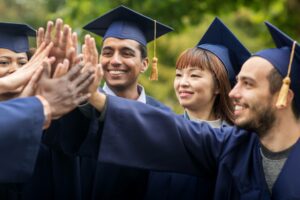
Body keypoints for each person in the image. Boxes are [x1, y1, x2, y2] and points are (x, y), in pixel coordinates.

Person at [87, 21, 300, 199]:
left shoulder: (237, 143)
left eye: (248, 84)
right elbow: (168, 130)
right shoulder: (232, 144)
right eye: (179, 75)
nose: (234, 92)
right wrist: (97, 98)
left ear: (284, 96)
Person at [145, 17, 250, 200]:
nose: (182, 83)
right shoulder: (164, 132)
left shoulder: (238, 142)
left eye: (194, 75)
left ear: (218, 86)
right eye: (179, 75)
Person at [80, 5, 173, 199]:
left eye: (126, 53)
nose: (114, 60)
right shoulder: (80, 110)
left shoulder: (163, 116)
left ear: (145, 64)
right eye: (107, 52)